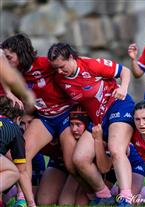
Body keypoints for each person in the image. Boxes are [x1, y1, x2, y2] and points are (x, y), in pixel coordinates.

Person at [48, 43, 135, 206]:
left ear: (72, 58)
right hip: (97, 118)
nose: (59, 71)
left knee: (116, 149)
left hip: (117, 105)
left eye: (61, 66)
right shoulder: (60, 79)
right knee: (79, 159)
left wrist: (123, 88)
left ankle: (126, 198)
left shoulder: (91, 65)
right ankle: (105, 196)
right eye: (55, 68)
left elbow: (125, 71)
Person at [1, 34, 76, 203]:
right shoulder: (11, 74)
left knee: (73, 163)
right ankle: (22, 199)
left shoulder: (44, 64)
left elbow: (75, 64)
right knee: (21, 154)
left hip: (65, 114)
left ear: (20, 54)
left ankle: (100, 193)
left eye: (9, 57)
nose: (5, 61)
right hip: (45, 118)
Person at [0, 96, 36, 207]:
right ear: (18, 118)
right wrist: (31, 203)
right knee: (14, 172)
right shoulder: (14, 129)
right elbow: (22, 170)